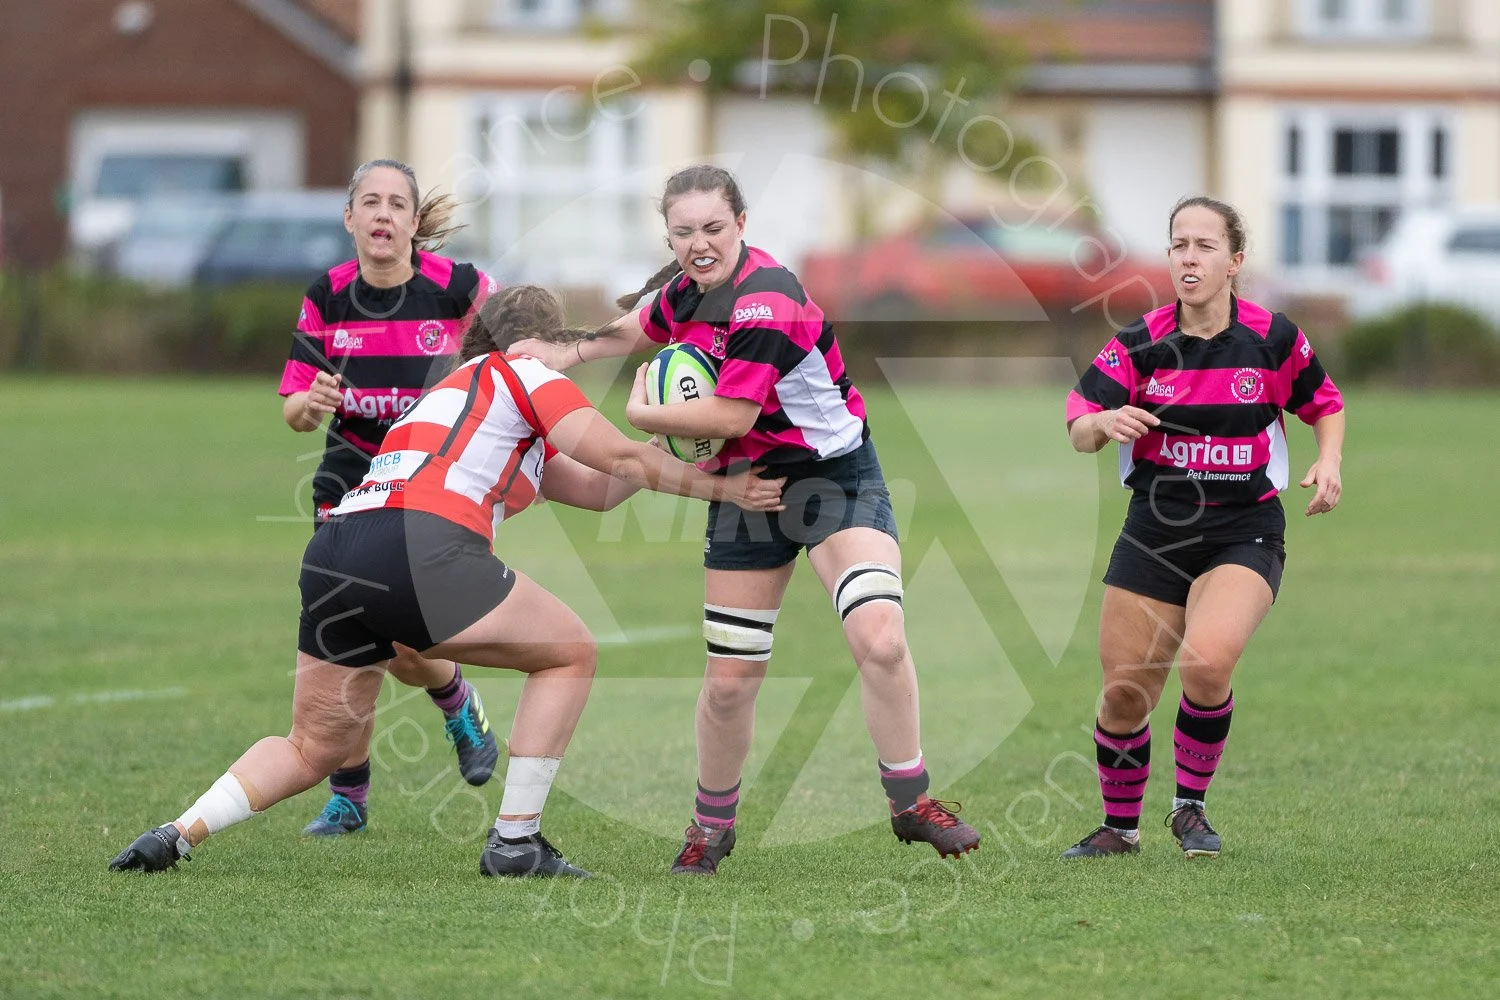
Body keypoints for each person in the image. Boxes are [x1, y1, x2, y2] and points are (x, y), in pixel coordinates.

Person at [110, 285, 786, 878]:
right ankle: (515, 843)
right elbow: (616, 453)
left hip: (336, 548)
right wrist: (721, 484)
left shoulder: (455, 394)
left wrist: (667, 439)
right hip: (420, 542)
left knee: (313, 745)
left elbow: (605, 487)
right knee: (572, 652)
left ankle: (178, 832)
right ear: (533, 342)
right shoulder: (524, 372)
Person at [511, 164, 981, 875]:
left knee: (879, 637)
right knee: (731, 682)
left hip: (833, 479)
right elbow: (639, 326)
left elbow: (733, 415)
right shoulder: (690, 289)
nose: (699, 243)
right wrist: (562, 349)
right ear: (669, 235)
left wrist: (640, 414)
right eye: (683, 232)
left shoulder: (767, 299)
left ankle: (911, 803)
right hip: (743, 486)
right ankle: (711, 827)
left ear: (741, 224)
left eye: (713, 228)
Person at [1060, 195, 1345, 860]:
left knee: (1208, 662)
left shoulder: (1272, 338)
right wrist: (1103, 423)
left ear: (1234, 261)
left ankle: (1189, 809)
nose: (1188, 257)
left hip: (1242, 530)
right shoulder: (1140, 342)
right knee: (1126, 694)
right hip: (1155, 531)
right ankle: (1120, 829)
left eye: (1204, 246)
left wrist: (1328, 461)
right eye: (1178, 244)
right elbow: (1078, 426)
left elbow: (1323, 403)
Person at [279, 158, 501, 838]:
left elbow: (518, 359)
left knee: (404, 640)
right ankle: (349, 797)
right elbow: (293, 407)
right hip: (347, 484)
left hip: (436, 484)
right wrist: (309, 404)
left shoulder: (460, 289)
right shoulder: (328, 294)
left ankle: (455, 698)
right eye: (368, 203)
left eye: (395, 203)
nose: (382, 214)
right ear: (349, 219)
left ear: (412, 222)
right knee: (352, 637)